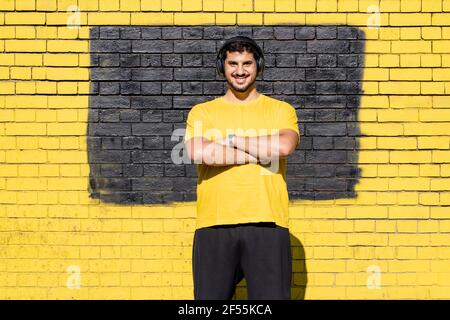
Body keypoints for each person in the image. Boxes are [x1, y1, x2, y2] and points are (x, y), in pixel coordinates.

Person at [183, 36, 300, 300]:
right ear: (222, 67)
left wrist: (234, 141)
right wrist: (260, 151)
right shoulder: (203, 112)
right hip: (214, 223)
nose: (240, 70)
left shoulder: (281, 110)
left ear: (257, 66)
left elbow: (282, 147)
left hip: (268, 221)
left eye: (247, 63)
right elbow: (200, 152)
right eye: (233, 63)